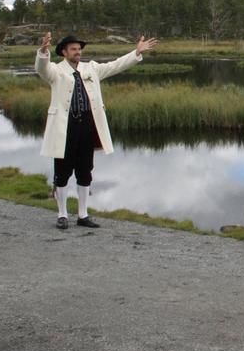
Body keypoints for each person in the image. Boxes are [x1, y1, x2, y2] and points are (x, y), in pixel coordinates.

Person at [36, 32, 158, 229]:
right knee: (63, 171)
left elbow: (115, 65)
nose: (78, 52)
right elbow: (41, 68)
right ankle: (62, 215)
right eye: (74, 49)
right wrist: (42, 51)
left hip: (86, 125)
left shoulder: (91, 68)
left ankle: (83, 215)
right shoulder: (55, 71)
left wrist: (135, 53)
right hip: (64, 127)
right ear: (64, 53)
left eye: (79, 49)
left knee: (85, 170)